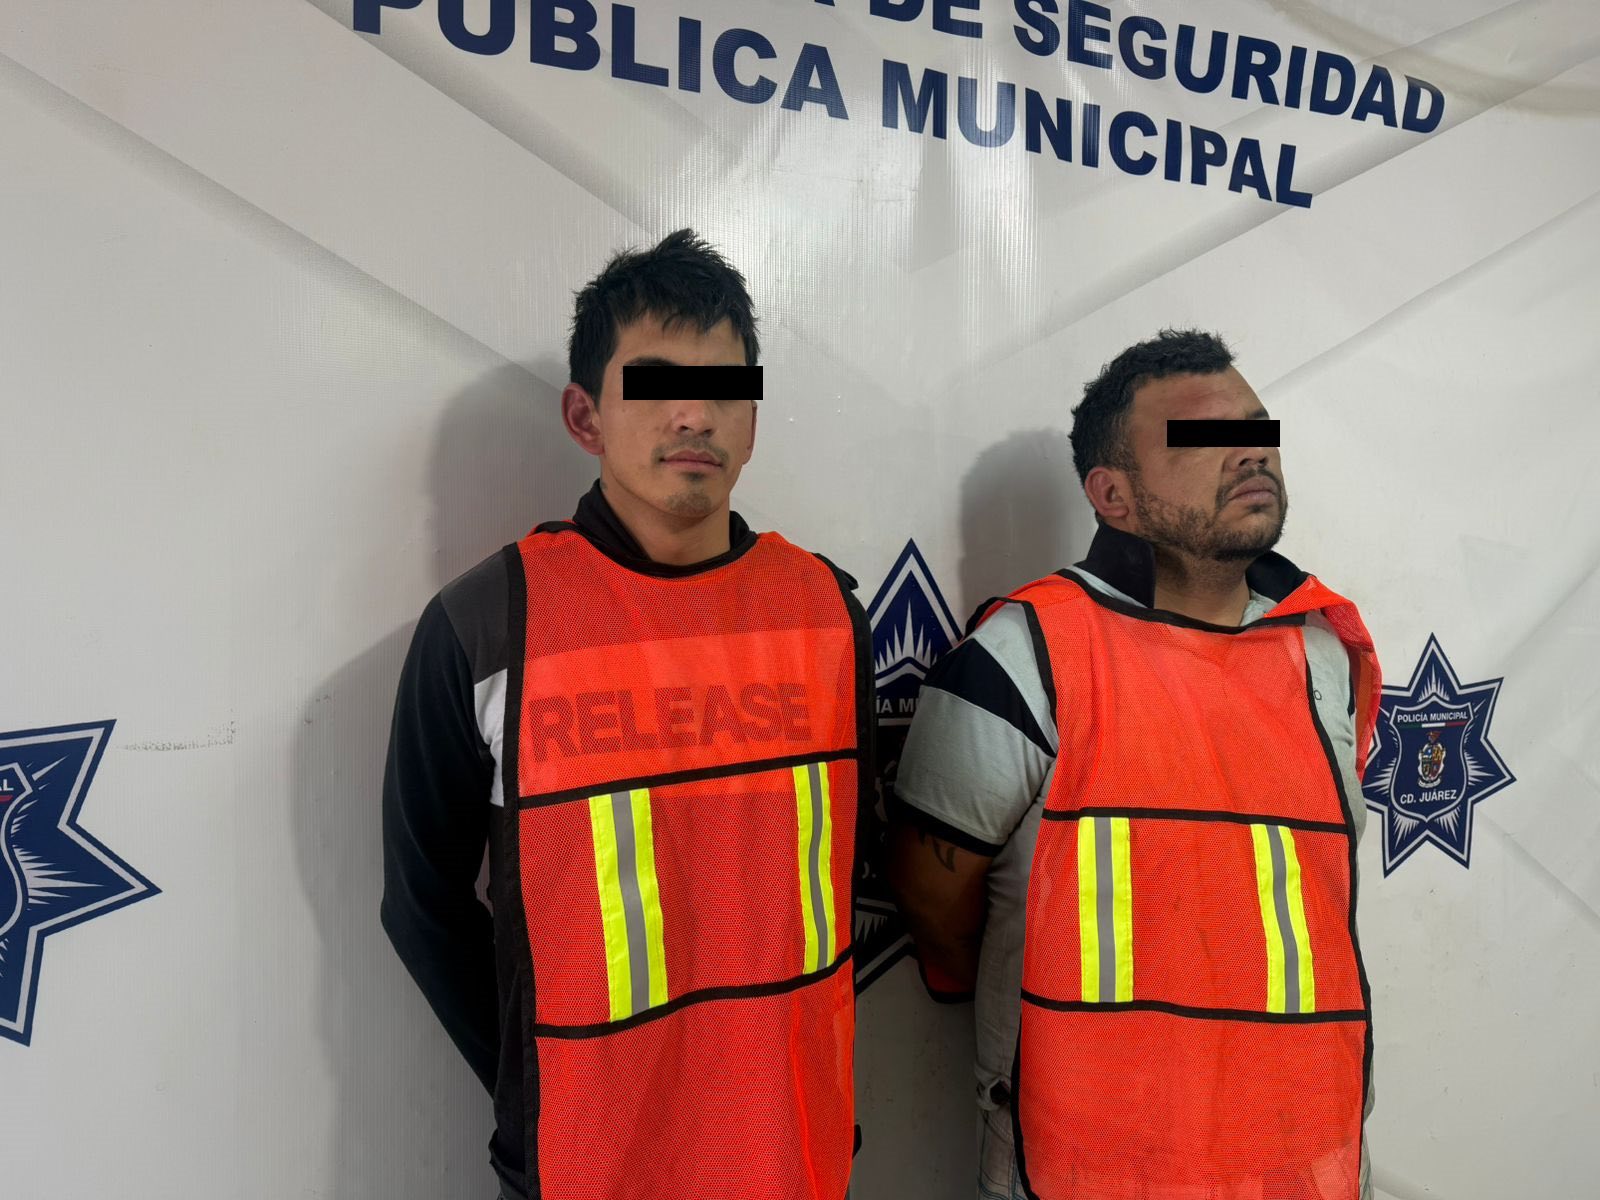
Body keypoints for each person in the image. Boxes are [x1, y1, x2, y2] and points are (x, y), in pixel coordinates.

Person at [381, 230, 873, 1200]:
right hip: (586, 1166)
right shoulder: (487, 628)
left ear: (753, 419)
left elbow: (846, 871)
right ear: (585, 416)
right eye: (654, 386)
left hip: (794, 1152)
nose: (694, 415)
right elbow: (421, 904)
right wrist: (534, 1089)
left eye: (725, 389)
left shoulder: (827, 612)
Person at [887, 329, 1382, 1200]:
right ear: (1111, 494)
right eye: (1201, 439)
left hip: (1306, 1163)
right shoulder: (1022, 656)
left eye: (1256, 430)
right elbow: (936, 905)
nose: (1249, 455)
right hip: (1087, 1171)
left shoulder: (1322, 653)